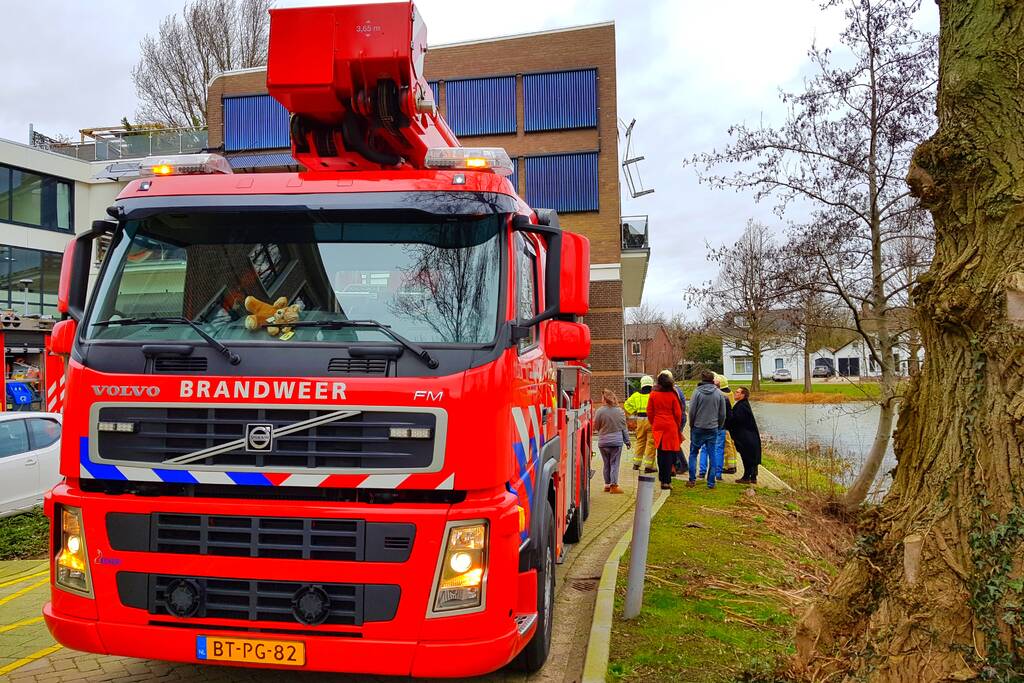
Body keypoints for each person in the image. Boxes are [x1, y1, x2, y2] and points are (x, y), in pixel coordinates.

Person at [687, 370, 726, 489]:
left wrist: (692, 425)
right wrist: (719, 425)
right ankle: (711, 482)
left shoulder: (697, 392)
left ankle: (692, 479)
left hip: (698, 427)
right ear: (713, 380)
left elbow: (692, 411)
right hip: (712, 428)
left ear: (702, 379)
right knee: (712, 454)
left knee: (693, 453)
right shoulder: (719, 393)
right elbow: (722, 413)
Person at [646, 371, 683, 490]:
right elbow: (678, 413)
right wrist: (677, 426)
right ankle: (667, 480)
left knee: (661, 452)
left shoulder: (653, 394)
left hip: (658, 424)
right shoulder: (672, 394)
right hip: (670, 425)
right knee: (670, 453)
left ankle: (662, 478)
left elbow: (649, 412)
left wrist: (654, 423)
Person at [593, 389, 629, 493]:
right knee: (614, 463)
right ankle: (614, 486)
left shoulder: (599, 411)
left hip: (603, 442)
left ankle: (607, 485)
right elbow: (624, 428)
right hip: (616, 443)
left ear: (604, 399)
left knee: (606, 464)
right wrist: (627, 441)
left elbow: (596, 426)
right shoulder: (620, 411)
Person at [728, 386, 762, 484]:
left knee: (747, 457)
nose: (735, 393)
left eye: (737, 392)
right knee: (752, 456)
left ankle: (746, 477)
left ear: (743, 395)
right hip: (751, 436)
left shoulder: (741, 406)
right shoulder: (743, 405)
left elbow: (736, 420)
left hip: (746, 437)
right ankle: (753, 477)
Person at [624, 375, 656, 473]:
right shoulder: (654, 394)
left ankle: (636, 464)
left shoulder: (636, 395)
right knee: (651, 443)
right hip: (651, 420)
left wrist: (633, 411)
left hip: (640, 420)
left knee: (640, 441)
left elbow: (626, 405)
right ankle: (648, 466)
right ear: (651, 384)